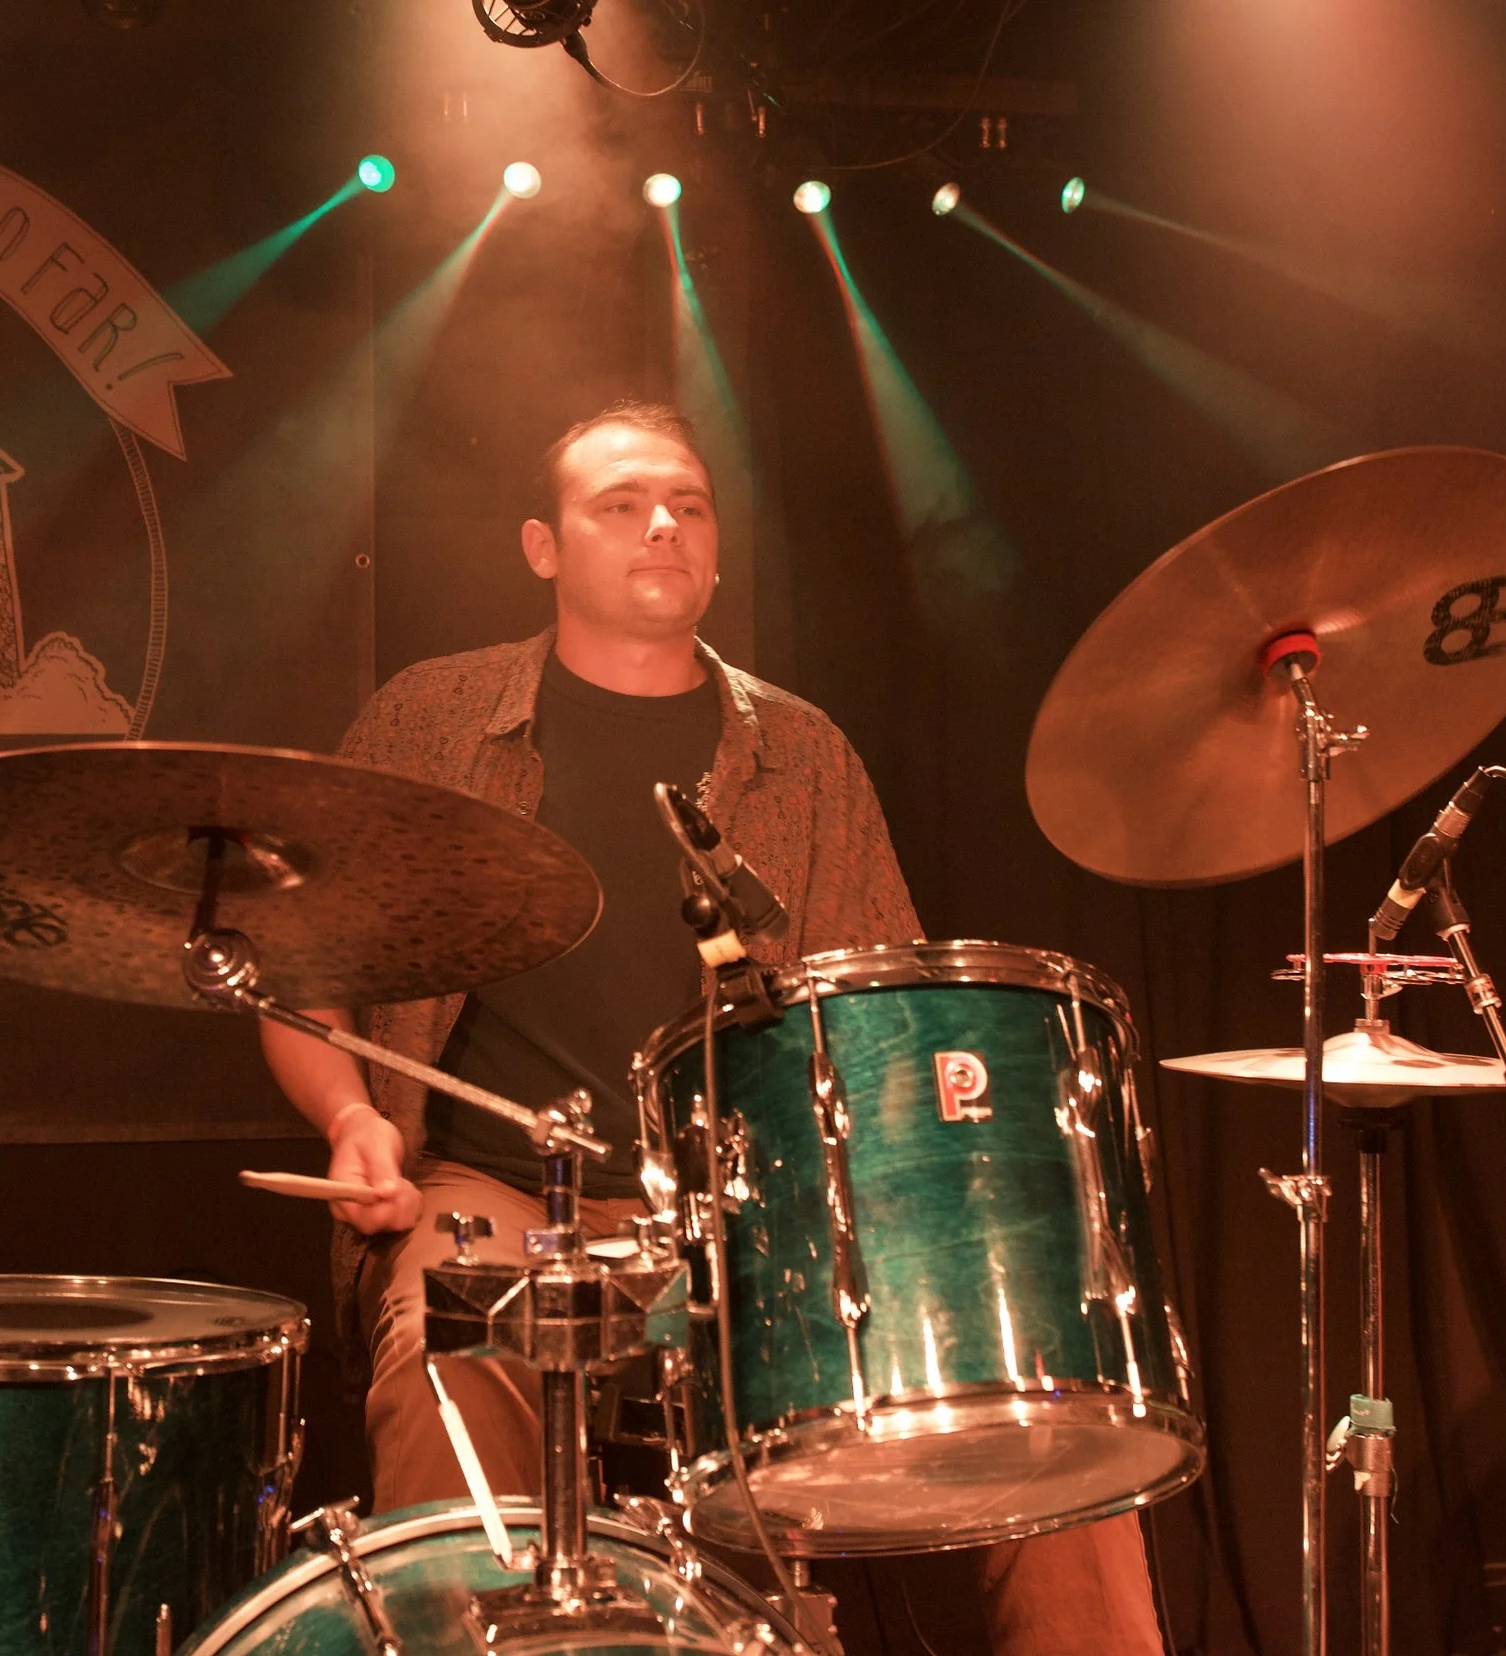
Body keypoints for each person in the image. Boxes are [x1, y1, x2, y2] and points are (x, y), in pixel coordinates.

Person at [260, 399, 1163, 1654]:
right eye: (619, 505)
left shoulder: (800, 753)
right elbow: (302, 971)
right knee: (450, 1360)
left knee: (1048, 1400)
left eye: (687, 504)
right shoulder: (431, 722)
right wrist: (353, 1120)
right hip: (510, 1190)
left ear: (719, 547)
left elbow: (881, 1015)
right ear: (543, 546)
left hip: (762, 1208)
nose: (661, 526)